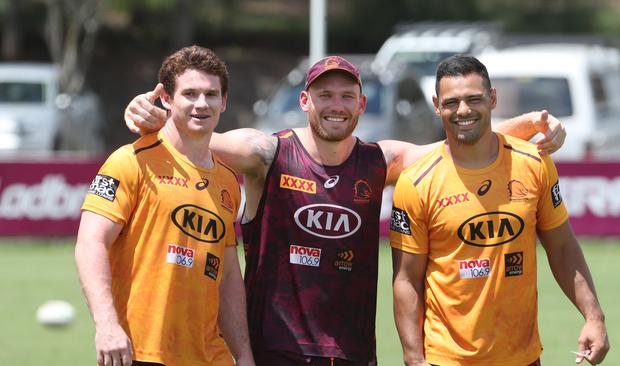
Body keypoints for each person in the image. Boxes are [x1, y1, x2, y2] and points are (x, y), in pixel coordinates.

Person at [124, 55, 566, 365]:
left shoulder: (379, 162)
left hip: (352, 348)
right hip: (276, 348)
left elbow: (454, 143)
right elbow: (194, 133)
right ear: (304, 102)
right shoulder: (267, 153)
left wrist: (531, 125)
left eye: (346, 95)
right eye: (324, 95)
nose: (335, 105)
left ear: (361, 103)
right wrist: (148, 112)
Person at [389, 54, 609, 366]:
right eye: (451, 102)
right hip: (446, 359)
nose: (463, 110)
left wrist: (593, 316)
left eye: (474, 99)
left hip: (522, 358)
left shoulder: (534, 163)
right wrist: (413, 357)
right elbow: (406, 279)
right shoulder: (416, 182)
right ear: (437, 105)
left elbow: (562, 247)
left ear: (492, 99)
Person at [75, 45, 255, 366]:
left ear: (224, 102)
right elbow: (91, 242)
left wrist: (242, 354)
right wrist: (106, 325)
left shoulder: (229, 182)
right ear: (167, 99)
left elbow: (227, 274)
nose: (202, 104)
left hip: (209, 356)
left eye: (211, 95)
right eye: (190, 94)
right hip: (139, 352)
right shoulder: (130, 161)